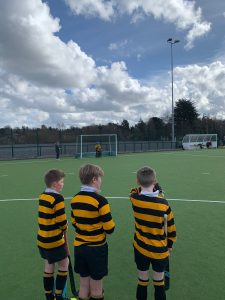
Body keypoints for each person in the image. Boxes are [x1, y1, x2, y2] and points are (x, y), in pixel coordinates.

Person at [130, 166, 176, 300]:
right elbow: (171, 228)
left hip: (140, 248)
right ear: (154, 180)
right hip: (160, 250)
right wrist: (170, 244)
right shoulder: (164, 204)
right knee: (159, 283)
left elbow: (133, 191)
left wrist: (155, 189)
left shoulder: (134, 199)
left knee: (142, 281)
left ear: (138, 181)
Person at [71, 164, 115, 300]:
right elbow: (110, 228)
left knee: (84, 285)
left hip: (79, 247)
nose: (101, 181)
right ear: (94, 180)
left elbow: (74, 222)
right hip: (96, 249)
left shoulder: (75, 199)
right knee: (96, 287)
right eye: (100, 178)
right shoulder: (101, 201)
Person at [37, 169, 69, 300]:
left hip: (42, 239)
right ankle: (58, 296)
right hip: (54, 240)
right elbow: (61, 221)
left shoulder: (42, 195)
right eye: (62, 182)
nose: (63, 184)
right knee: (64, 264)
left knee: (49, 265)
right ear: (55, 184)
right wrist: (66, 225)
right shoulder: (57, 198)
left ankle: (49, 297)